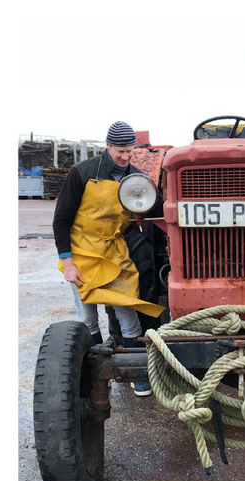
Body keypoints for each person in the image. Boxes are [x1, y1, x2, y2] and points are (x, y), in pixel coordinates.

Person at [52, 121, 166, 397]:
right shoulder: (83, 172)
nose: (126, 157)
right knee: (88, 316)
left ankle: (136, 375)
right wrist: (68, 263)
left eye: (130, 151)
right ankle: (96, 371)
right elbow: (61, 220)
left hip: (114, 252)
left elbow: (156, 208)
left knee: (128, 311)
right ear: (108, 146)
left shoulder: (135, 178)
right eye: (121, 151)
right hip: (82, 254)